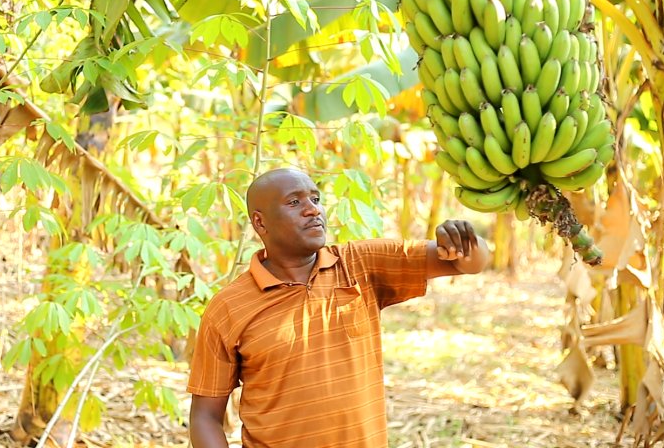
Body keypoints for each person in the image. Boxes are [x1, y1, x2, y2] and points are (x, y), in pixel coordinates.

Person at [186, 168, 491, 447]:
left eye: (315, 198)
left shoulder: (361, 264)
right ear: (260, 222)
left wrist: (465, 242)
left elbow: (469, 263)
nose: (312, 209)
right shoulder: (228, 307)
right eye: (294, 202)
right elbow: (205, 416)